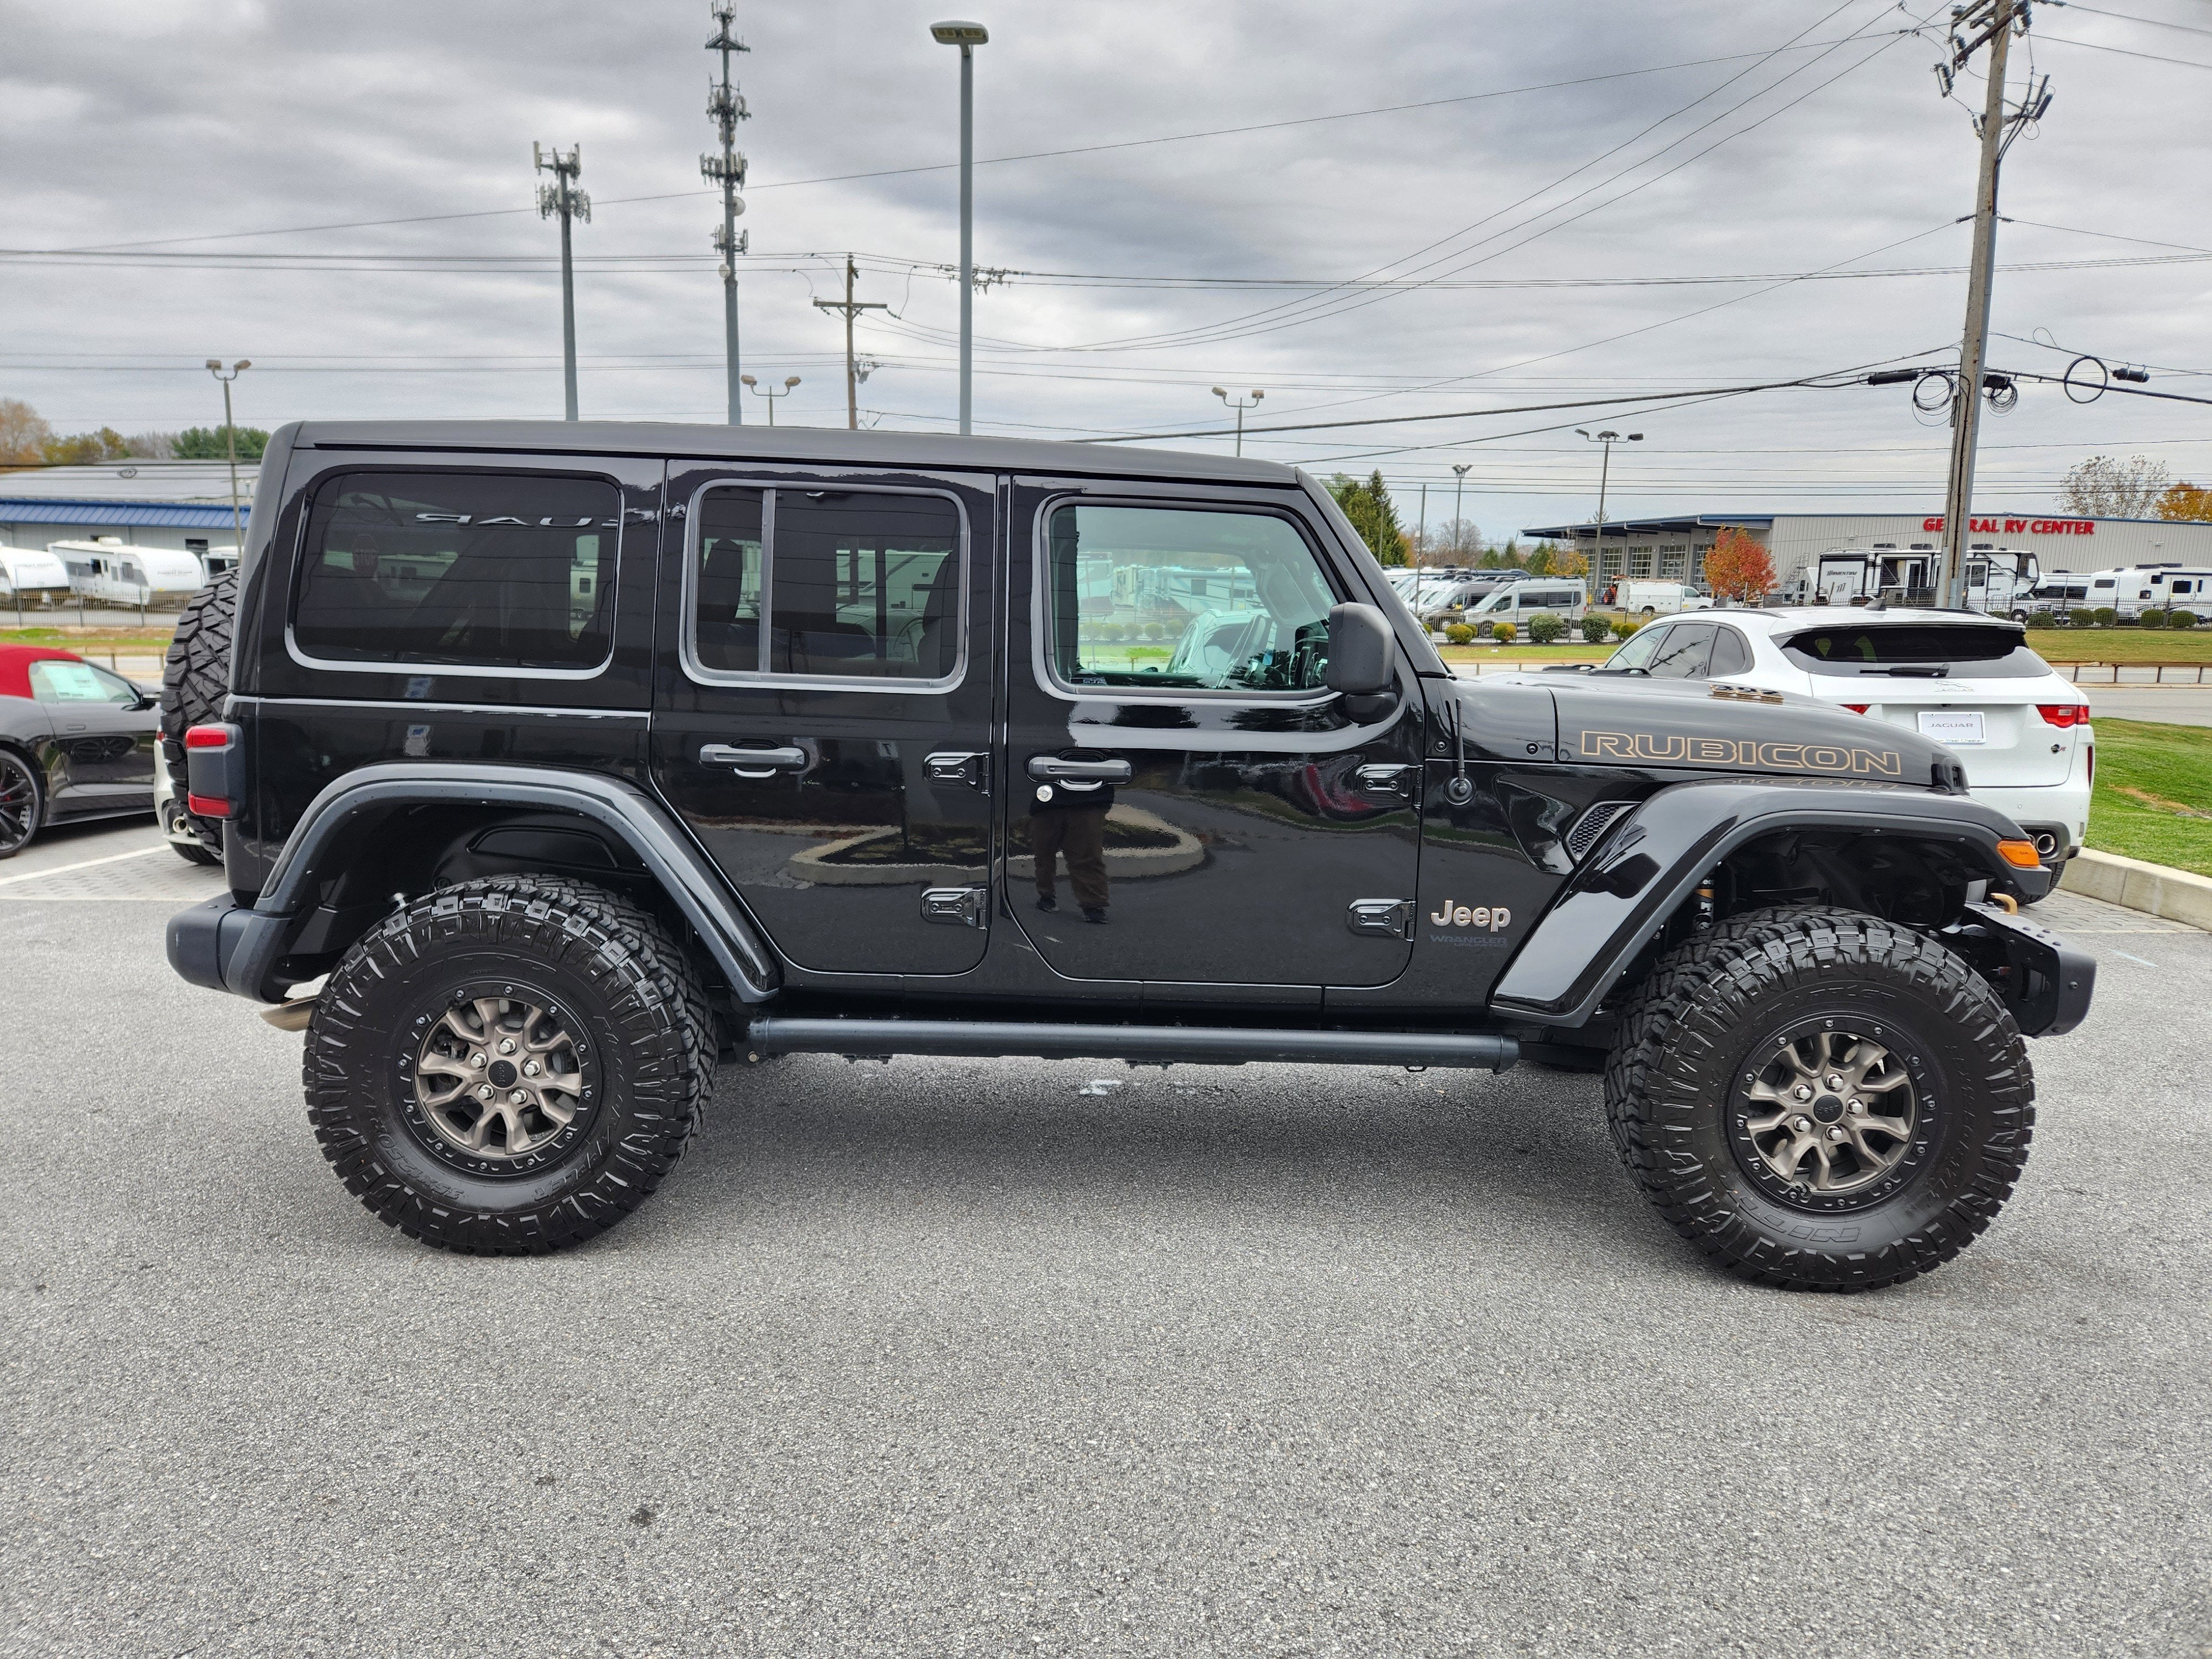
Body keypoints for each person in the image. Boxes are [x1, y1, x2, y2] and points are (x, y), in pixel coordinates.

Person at [1030, 778, 1110, 925]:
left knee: (1086, 855)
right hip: (1046, 798)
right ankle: (1046, 895)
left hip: (1090, 798)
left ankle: (1093, 905)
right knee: (1043, 852)